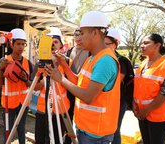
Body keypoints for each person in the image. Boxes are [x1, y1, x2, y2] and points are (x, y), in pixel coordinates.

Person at [45, 11, 121, 144]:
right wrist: (64, 65)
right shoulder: (92, 57)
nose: (79, 38)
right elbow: (78, 82)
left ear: (95, 33)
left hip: (96, 133)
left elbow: (88, 96)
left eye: (83, 33)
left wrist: (60, 79)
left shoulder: (105, 61)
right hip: (85, 127)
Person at [132, 33, 165, 144]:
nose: (142, 46)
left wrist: (146, 110)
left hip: (159, 116)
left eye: (146, 43)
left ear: (157, 46)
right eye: (141, 43)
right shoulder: (142, 65)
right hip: (142, 114)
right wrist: (134, 104)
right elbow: (137, 87)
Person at [0, 28, 34, 144]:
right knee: (8, 130)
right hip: (9, 103)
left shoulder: (28, 63)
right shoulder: (5, 61)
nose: (21, 47)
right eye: (18, 44)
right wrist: (0, 69)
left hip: (23, 103)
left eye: (23, 44)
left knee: (21, 128)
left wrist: (25, 79)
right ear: (12, 44)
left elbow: (31, 85)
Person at [33, 27, 70, 144]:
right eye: (50, 42)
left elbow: (73, 85)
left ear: (61, 44)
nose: (53, 45)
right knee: (40, 140)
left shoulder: (67, 62)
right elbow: (35, 87)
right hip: (42, 110)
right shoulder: (40, 64)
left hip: (59, 111)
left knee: (57, 140)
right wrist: (45, 80)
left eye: (55, 42)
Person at [104, 28, 134, 144]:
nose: (104, 46)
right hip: (105, 101)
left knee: (114, 129)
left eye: (108, 44)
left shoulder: (121, 61)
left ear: (116, 44)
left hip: (118, 102)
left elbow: (113, 84)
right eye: (103, 43)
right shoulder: (100, 58)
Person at [64, 28, 90, 144]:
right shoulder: (69, 51)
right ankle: (67, 140)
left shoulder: (90, 52)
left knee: (82, 121)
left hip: (83, 91)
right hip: (69, 88)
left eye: (81, 35)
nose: (79, 38)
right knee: (68, 118)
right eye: (76, 35)